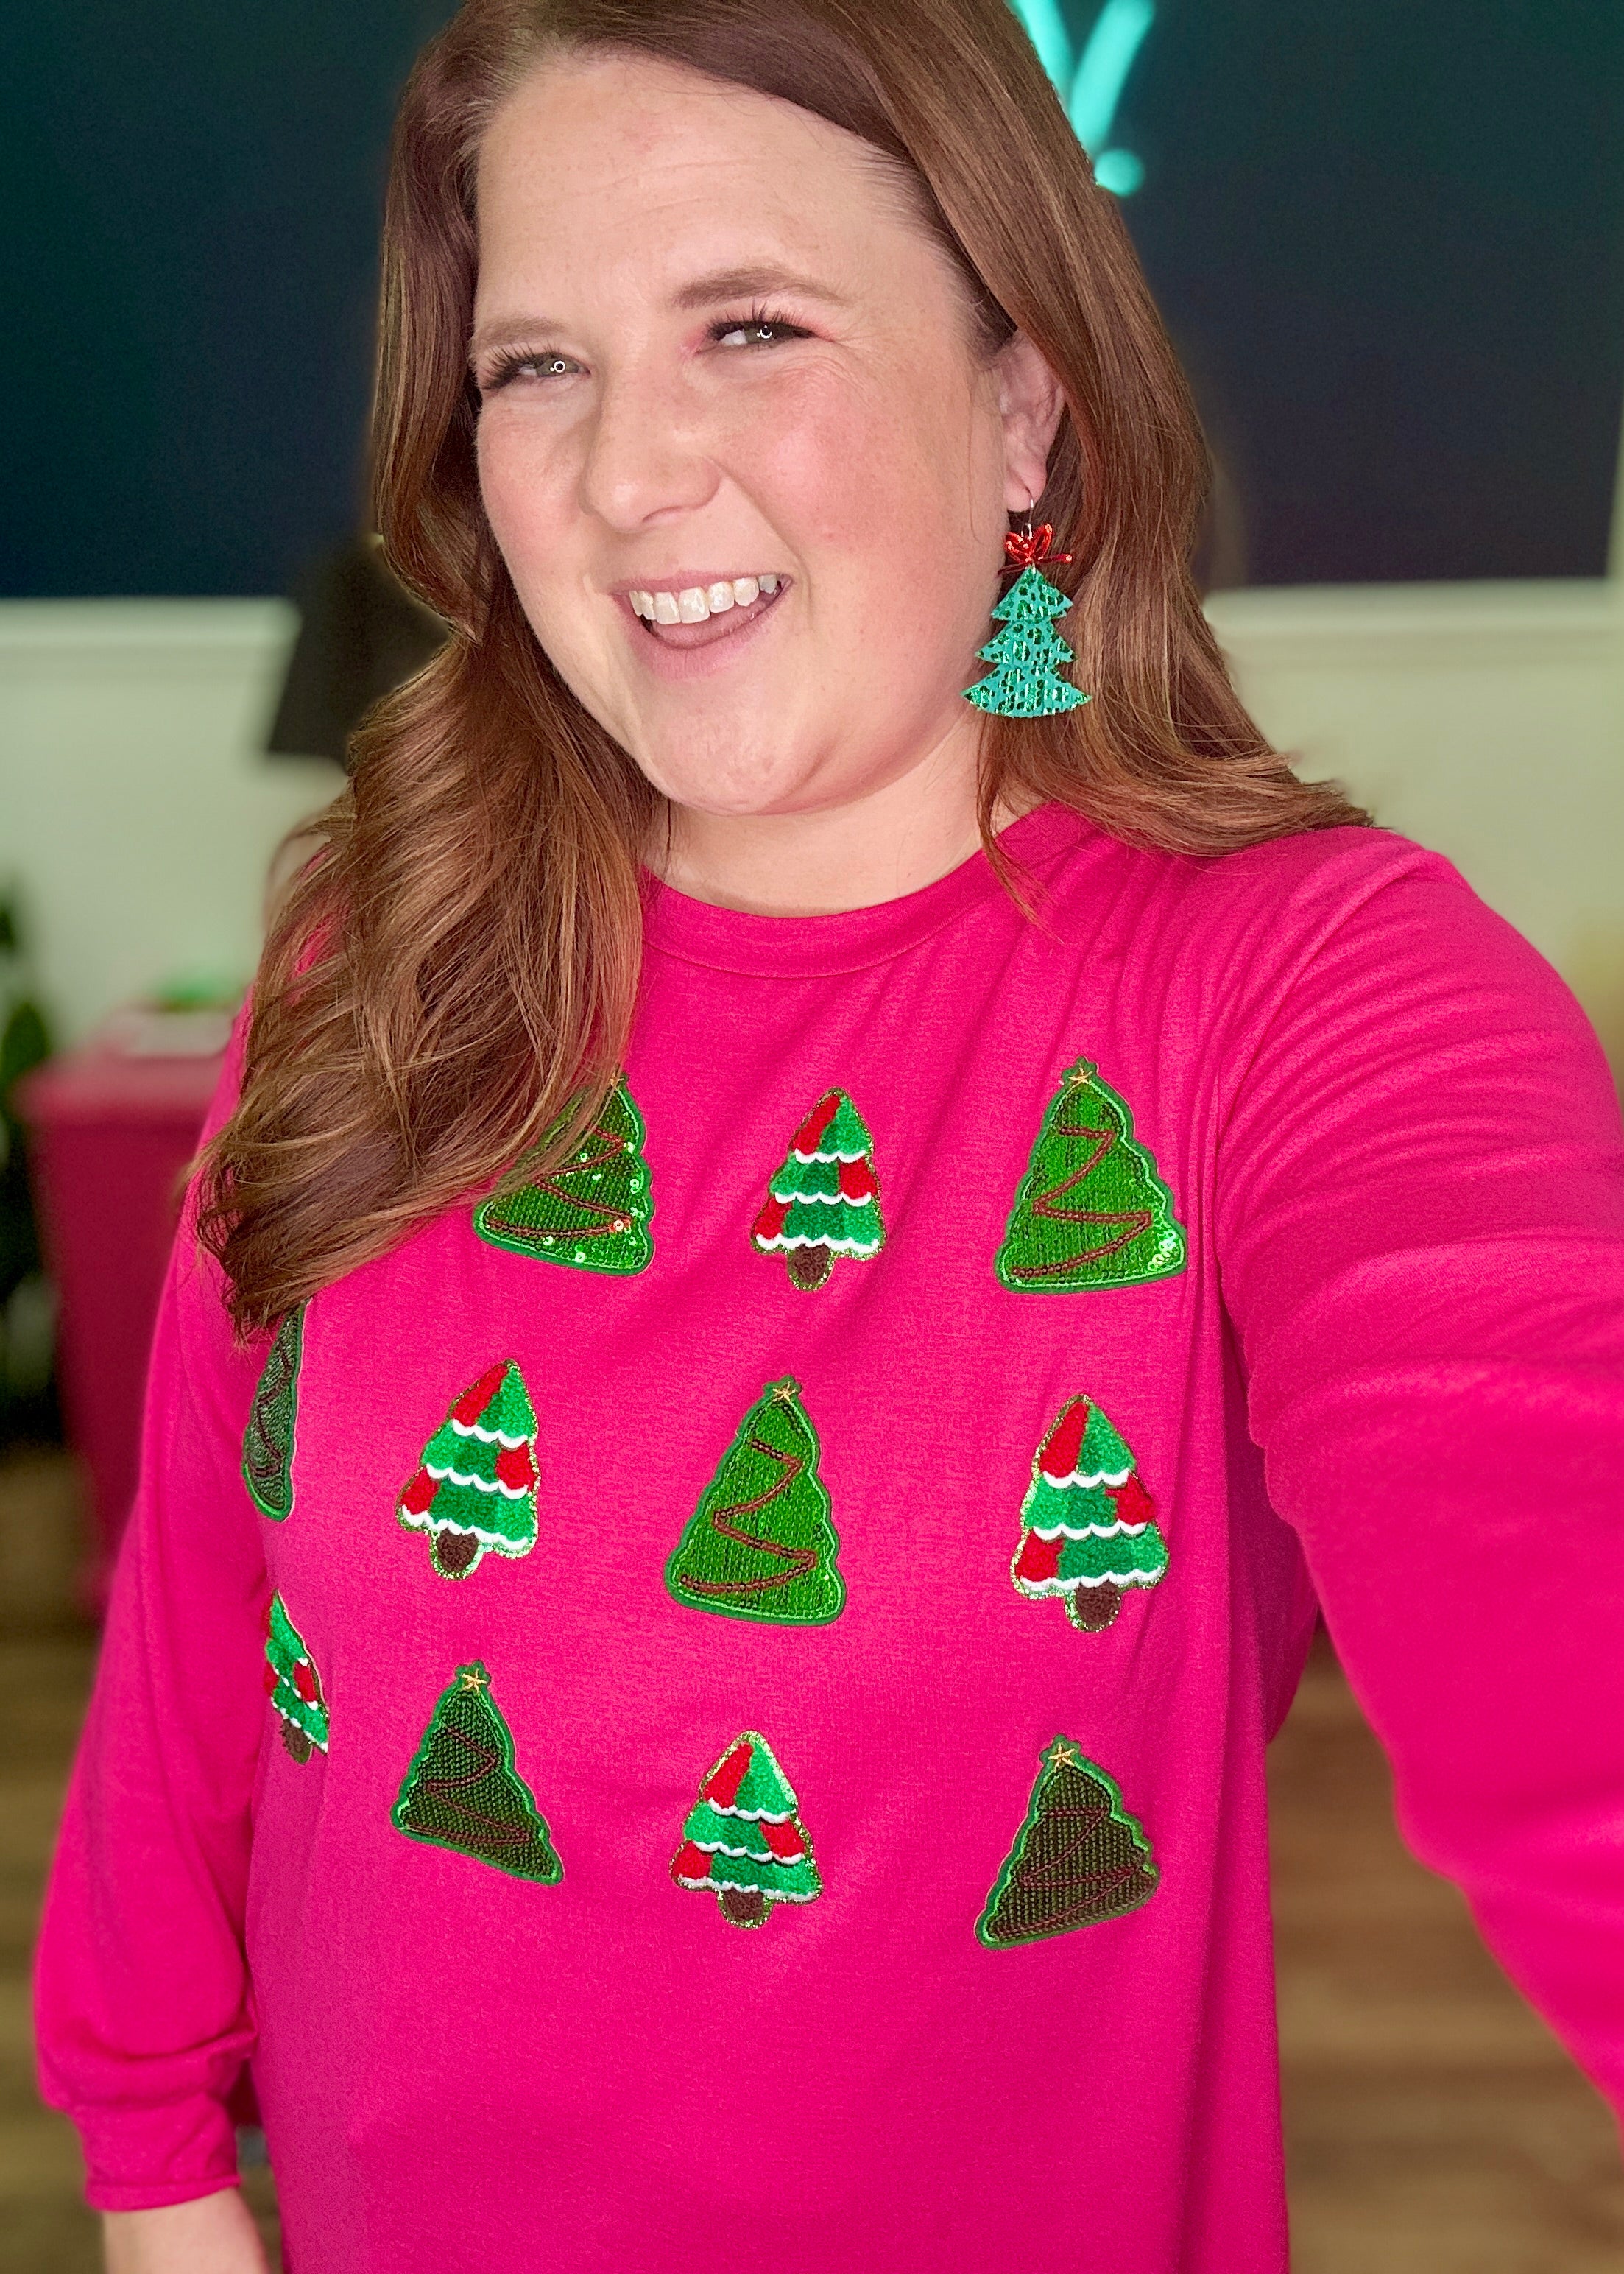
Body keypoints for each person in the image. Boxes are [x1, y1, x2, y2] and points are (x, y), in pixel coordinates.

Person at [35, 2, 1624, 2268]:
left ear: (1021, 401)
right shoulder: (380, 958)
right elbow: (205, 1628)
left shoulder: (1297, 988)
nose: (624, 474)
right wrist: (155, 2169)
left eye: (750, 325)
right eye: (538, 366)